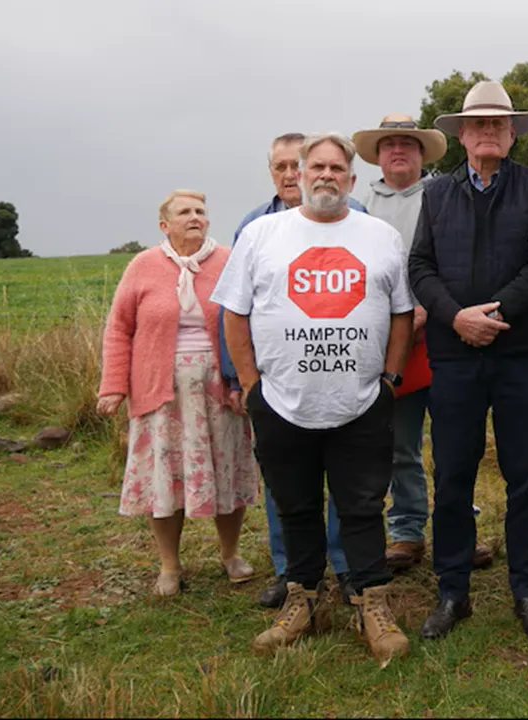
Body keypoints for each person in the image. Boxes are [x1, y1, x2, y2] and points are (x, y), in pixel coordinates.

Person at [213, 132, 415, 667]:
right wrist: (252, 385)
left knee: (363, 505)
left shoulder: (380, 236)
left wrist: (390, 379)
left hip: (362, 401)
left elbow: (401, 312)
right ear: (298, 175)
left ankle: (371, 602)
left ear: (351, 178)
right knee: (295, 505)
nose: (326, 175)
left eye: (336, 168)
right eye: (316, 167)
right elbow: (235, 313)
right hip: (281, 402)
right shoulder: (261, 235)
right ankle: (301, 601)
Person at [409, 81, 528, 640]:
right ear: (462, 135)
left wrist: (493, 314)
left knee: (525, 476)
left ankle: (526, 591)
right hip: (455, 357)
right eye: (479, 125)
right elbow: (420, 267)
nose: (489, 132)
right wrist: (456, 318)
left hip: (523, 355)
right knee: (452, 474)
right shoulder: (436, 194)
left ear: (512, 133)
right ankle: (453, 591)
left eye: (499, 124)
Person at [219, 132, 367, 609]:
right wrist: (241, 381)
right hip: (277, 386)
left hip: (342, 380)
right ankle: (292, 574)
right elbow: (235, 307)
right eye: (282, 167)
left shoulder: (359, 218)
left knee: (346, 485)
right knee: (286, 485)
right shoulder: (255, 227)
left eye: (294, 165)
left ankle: (345, 568)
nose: (290, 175)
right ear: (280, 173)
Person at [351, 113, 495, 572]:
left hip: (445, 333)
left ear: (422, 153)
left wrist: (431, 310)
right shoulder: (357, 207)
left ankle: (459, 531)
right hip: (388, 342)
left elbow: (462, 259)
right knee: (400, 442)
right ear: (377, 154)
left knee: (455, 441)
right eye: (390, 143)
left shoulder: (445, 194)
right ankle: (408, 530)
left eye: (408, 144)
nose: (398, 150)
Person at [98, 190, 257, 597]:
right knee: (164, 479)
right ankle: (170, 565)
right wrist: (113, 387)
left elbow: (250, 320)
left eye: (201, 211)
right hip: (160, 392)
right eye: (184, 212)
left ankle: (230, 554)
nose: (195, 217)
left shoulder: (228, 260)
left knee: (227, 470)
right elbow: (119, 327)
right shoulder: (143, 266)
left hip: (221, 389)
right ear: (164, 225)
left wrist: (245, 379)